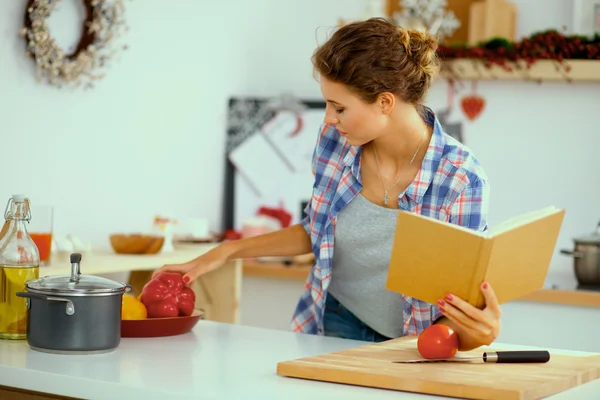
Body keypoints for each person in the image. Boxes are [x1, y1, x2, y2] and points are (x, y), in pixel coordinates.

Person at [153, 18, 501, 350]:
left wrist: (475, 333)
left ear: (384, 102)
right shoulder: (337, 141)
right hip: (335, 318)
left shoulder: (461, 179)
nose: (328, 119)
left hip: (416, 342)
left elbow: (460, 296)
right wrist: (224, 252)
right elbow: (316, 231)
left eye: (338, 108)